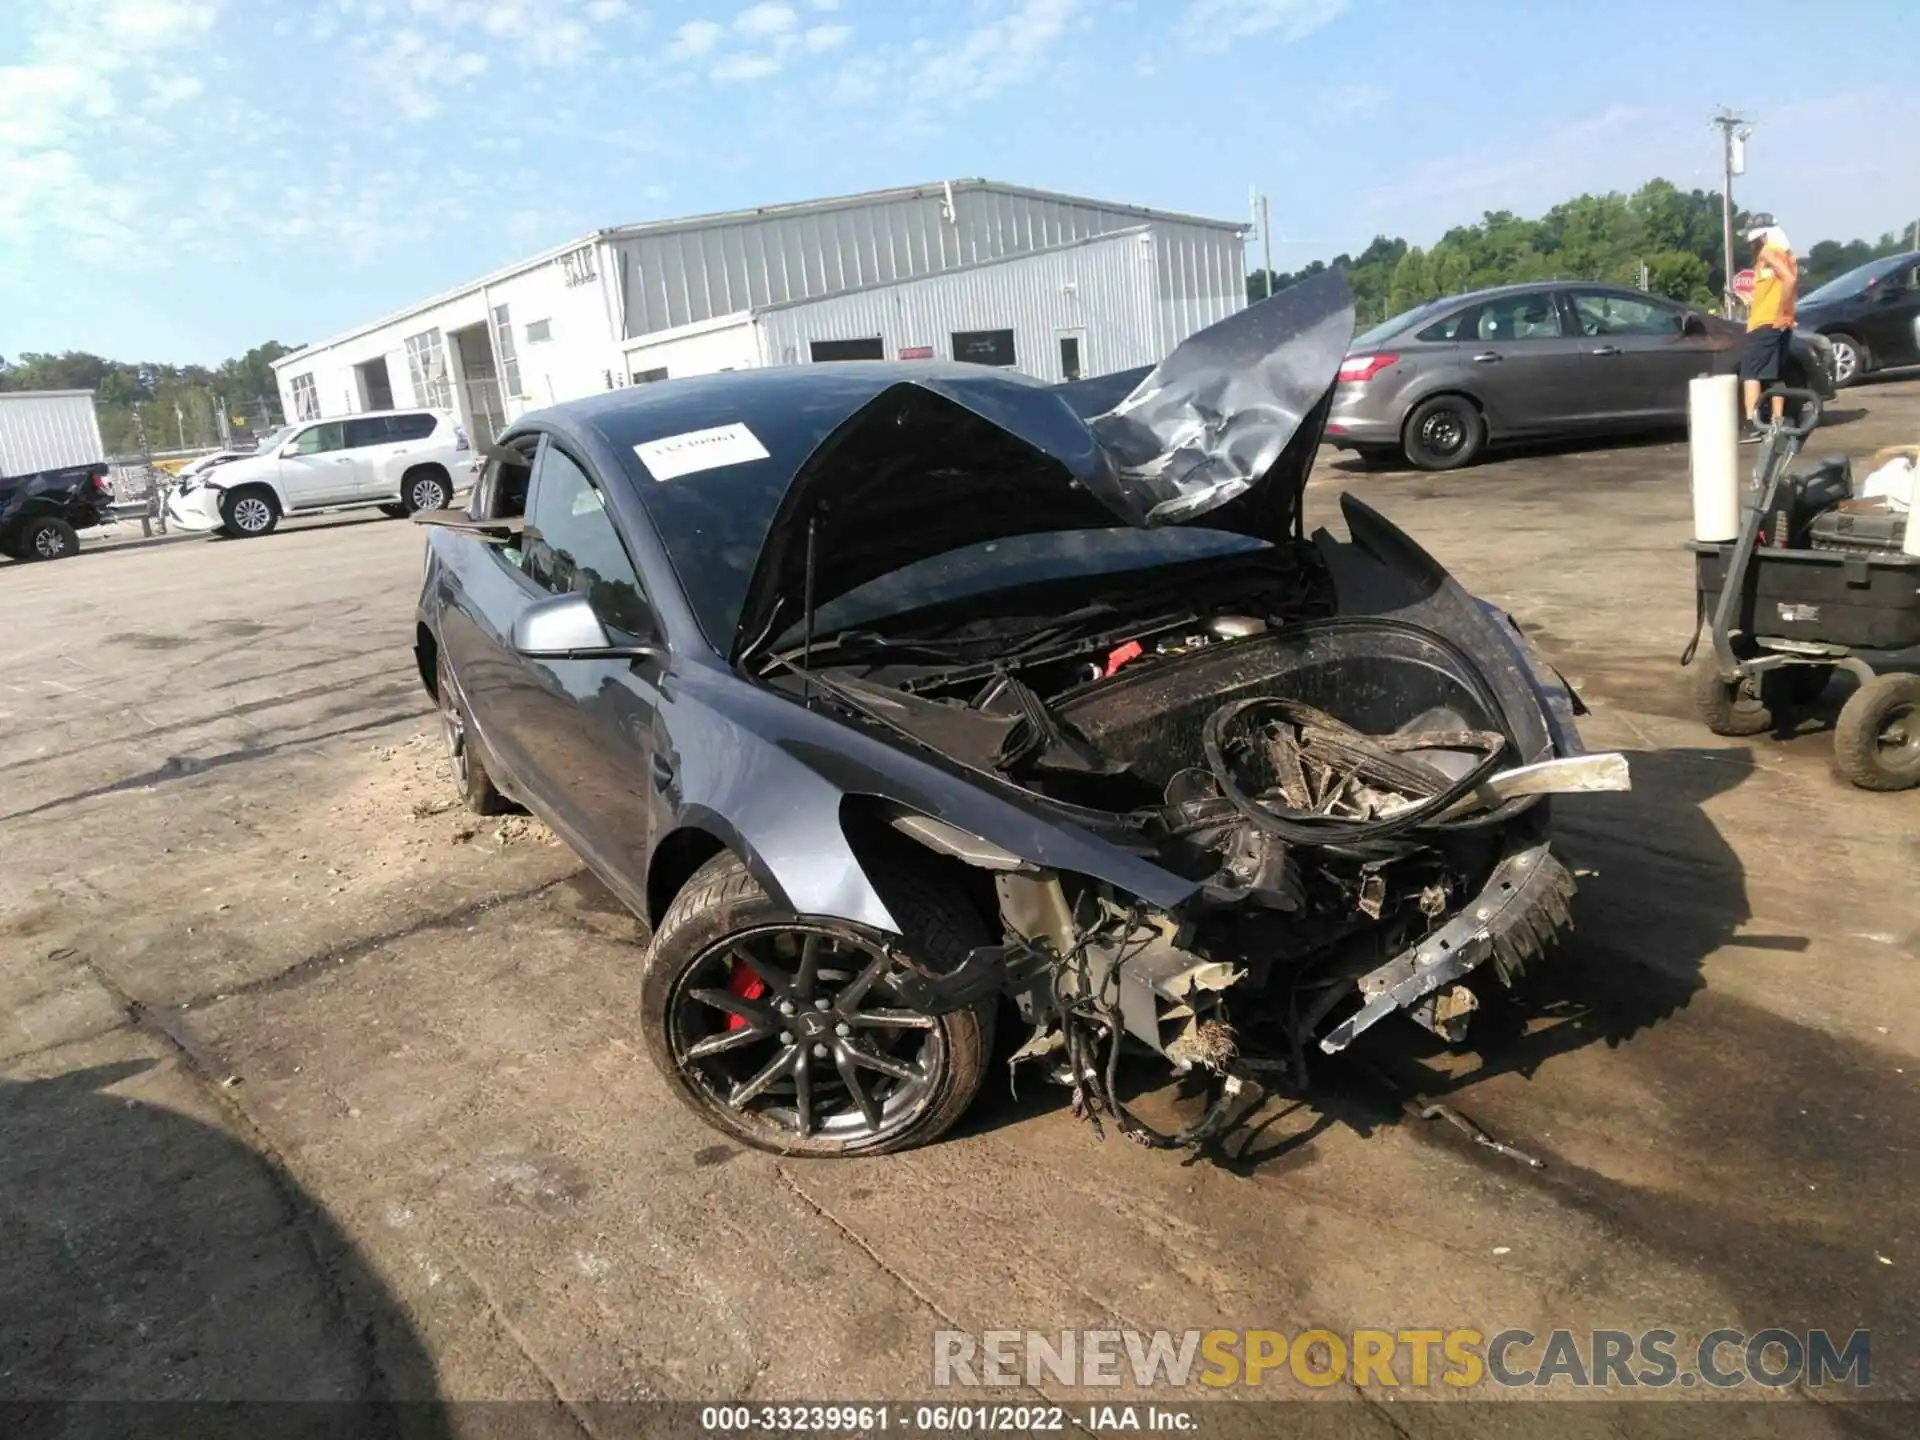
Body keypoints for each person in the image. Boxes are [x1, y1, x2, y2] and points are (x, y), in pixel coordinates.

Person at [1739, 213, 1798, 442]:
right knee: (1774, 375)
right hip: (1780, 323)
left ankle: (1753, 425)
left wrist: (1781, 312)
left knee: (1751, 373)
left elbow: (1788, 282)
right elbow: (1784, 286)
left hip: (1766, 323)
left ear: (1761, 235)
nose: (1751, 243)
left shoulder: (1767, 251)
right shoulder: (1788, 255)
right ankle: (1777, 422)